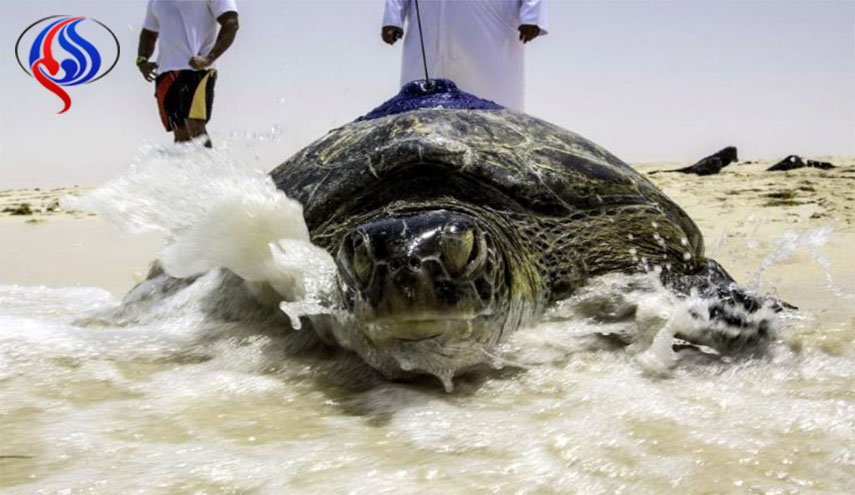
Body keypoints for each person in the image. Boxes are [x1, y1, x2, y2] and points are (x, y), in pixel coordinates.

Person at [381, 0, 547, 111]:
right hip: (427, 20)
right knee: (421, 100)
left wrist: (532, 15)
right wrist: (393, 17)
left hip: (491, 22)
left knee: (493, 95)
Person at [136, 0, 239, 147]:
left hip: (197, 69)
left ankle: (210, 169)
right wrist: (142, 60)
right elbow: (149, 33)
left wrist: (209, 58)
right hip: (165, 73)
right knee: (180, 136)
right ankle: (187, 170)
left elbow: (231, 22)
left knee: (195, 127)